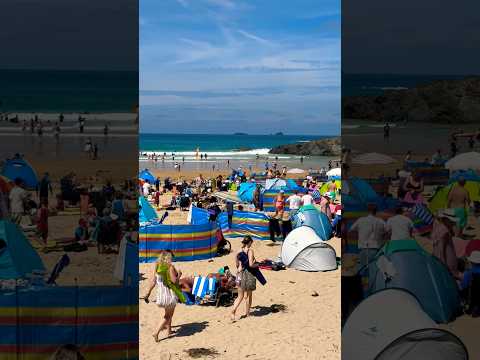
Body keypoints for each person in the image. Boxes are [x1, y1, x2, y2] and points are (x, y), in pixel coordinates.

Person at [143, 251, 185, 341]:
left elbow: (153, 281)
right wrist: (179, 275)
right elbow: (174, 281)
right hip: (169, 294)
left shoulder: (157, 266)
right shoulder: (170, 267)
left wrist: (148, 293)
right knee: (168, 316)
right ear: (168, 258)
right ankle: (156, 332)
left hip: (161, 294)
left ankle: (169, 331)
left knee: (168, 312)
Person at [349, 203, 386, 269]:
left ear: (367, 211)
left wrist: (359, 234)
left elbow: (351, 230)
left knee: (361, 270)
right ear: (376, 211)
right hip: (375, 248)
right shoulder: (380, 221)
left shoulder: (361, 220)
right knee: (373, 271)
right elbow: (387, 230)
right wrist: (382, 236)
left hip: (363, 248)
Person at [231, 236, 258, 320]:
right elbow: (250, 265)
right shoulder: (250, 251)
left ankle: (233, 310)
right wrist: (257, 264)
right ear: (249, 242)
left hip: (239, 275)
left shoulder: (238, 251)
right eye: (251, 242)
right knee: (249, 295)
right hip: (247, 274)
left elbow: (236, 264)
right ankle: (247, 313)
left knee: (240, 296)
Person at [431, 210, 458, 276]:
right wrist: (443, 265)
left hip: (440, 259)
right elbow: (440, 251)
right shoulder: (444, 231)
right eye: (451, 221)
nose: (453, 223)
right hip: (447, 262)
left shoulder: (438, 226)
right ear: (446, 220)